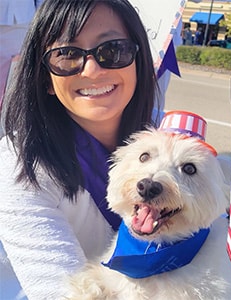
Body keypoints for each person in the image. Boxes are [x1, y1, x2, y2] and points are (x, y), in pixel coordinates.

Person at [0, 0, 157, 299]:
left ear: (138, 59)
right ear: (45, 77)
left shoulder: (163, 145)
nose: (92, 70)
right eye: (67, 55)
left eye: (113, 50)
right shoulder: (20, 164)